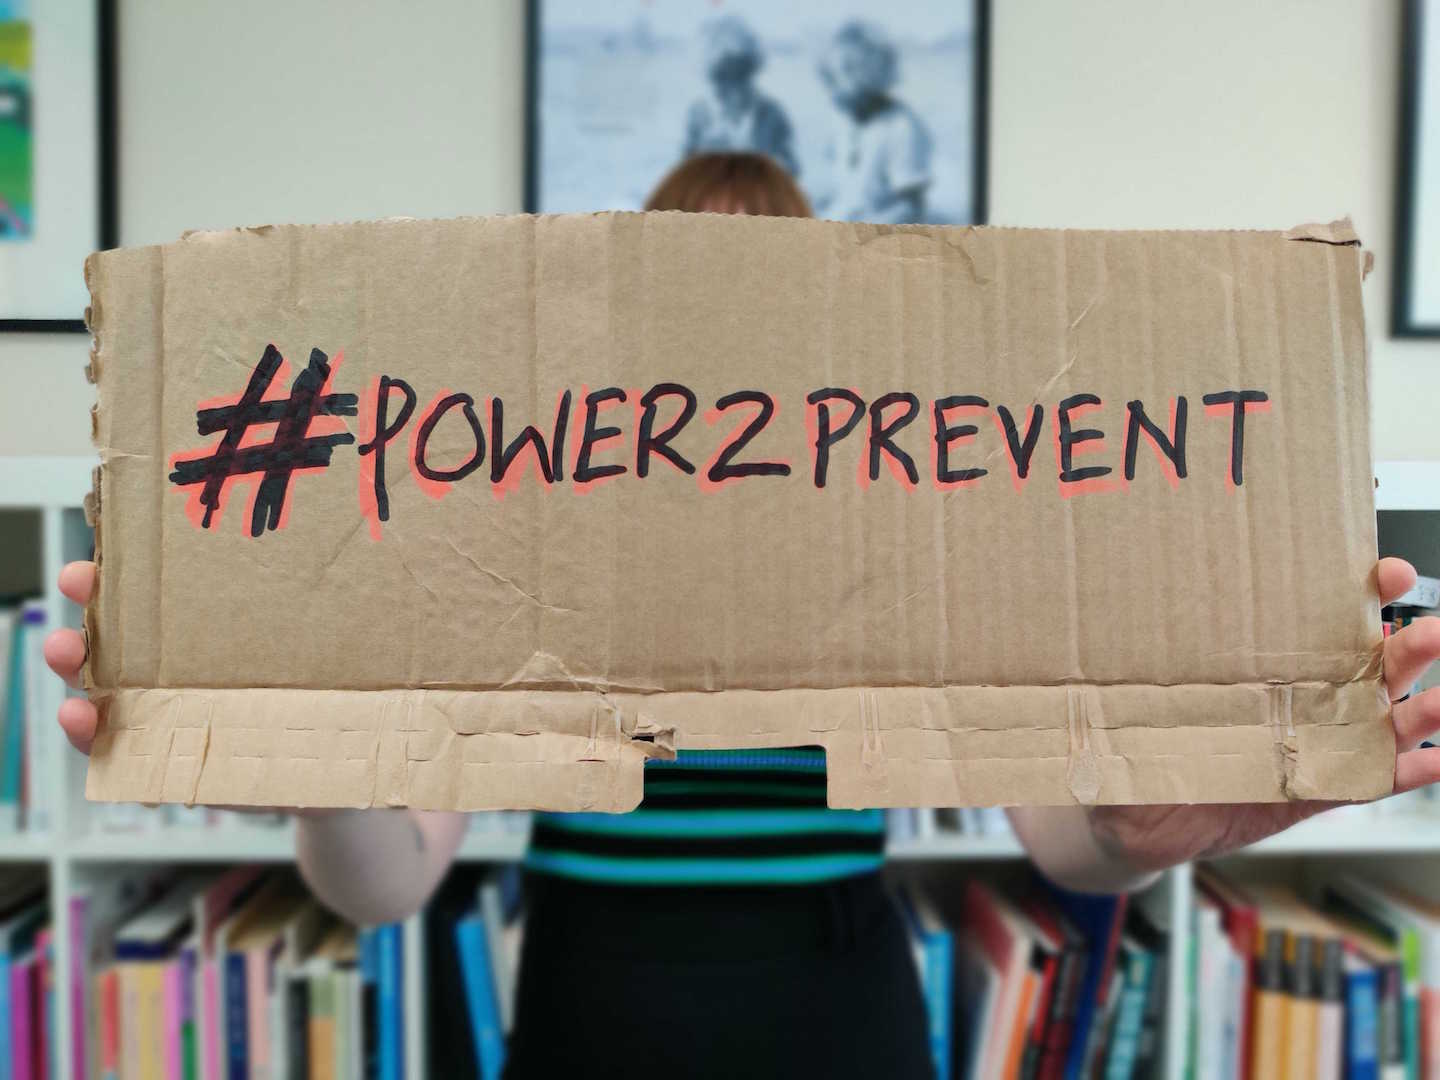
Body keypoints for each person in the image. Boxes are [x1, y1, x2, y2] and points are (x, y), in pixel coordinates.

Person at [44, 153, 1440, 1079]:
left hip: (838, 1003)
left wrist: (1148, 819)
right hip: (595, 999)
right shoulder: (522, 533)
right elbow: (387, 884)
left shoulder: (920, 531)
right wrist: (319, 768)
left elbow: (1072, 850)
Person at [814, 20, 934, 223]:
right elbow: (842, 191)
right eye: (829, 79)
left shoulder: (902, 127)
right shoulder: (843, 120)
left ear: (871, 74)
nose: (833, 92)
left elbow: (911, 209)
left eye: (841, 76)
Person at [682, 16, 799, 177]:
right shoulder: (699, 116)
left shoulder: (771, 114)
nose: (727, 86)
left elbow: (791, 171)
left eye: (737, 73)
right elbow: (684, 174)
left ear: (750, 71)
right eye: (720, 77)